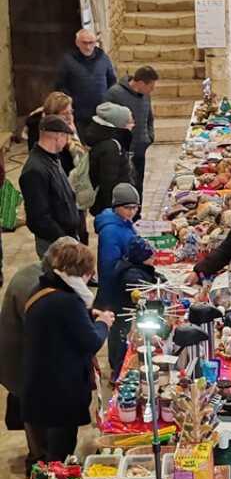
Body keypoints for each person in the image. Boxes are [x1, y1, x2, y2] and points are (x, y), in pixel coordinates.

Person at [23, 240, 114, 461]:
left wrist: (86, 318)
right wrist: (103, 323)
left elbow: (60, 327)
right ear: (82, 272)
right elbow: (91, 341)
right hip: (59, 391)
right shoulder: (67, 302)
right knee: (60, 451)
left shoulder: (43, 289)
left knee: (49, 446)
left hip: (39, 385)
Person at [0, 238, 76, 475]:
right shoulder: (32, 287)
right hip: (23, 364)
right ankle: (41, 463)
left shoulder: (38, 274)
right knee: (36, 416)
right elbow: (48, 335)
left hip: (27, 360)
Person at [24, 91, 90, 245]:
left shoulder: (68, 129)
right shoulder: (44, 145)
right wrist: (64, 239)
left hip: (71, 193)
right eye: (65, 113)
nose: (69, 117)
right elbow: (39, 217)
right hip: (60, 201)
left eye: (71, 112)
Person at [19, 115, 80, 257]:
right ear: (58, 137)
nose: (66, 143)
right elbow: (38, 219)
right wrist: (64, 241)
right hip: (55, 245)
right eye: (66, 138)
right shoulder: (34, 170)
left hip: (66, 239)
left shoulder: (52, 158)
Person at [104, 65, 158, 208]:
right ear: (140, 83)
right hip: (123, 152)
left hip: (140, 148)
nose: (152, 90)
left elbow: (149, 118)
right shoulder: (114, 94)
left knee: (138, 184)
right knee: (126, 186)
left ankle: (137, 215)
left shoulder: (146, 95)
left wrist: (149, 137)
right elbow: (106, 121)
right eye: (150, 87)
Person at [109, 236, 162, 379]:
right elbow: (138, 290)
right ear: (142, 258)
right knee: (124, 348)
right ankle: (118, 374)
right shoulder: (131, 276)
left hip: (124, 318)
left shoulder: (135, 267)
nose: (154, 260)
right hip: (125, 320)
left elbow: (150, 276)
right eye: (151, 257)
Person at [55, 29, 117, 142]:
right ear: (77, 43)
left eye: (91, 43)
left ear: (95, 42)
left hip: (101, 113)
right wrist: (69, 106)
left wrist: (109, 102)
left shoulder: (103, 58)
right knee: (82, 146)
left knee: (101, 145)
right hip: (78, 115)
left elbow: (112, 81)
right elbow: (60, 85)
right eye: (84, 43)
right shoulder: (68, 60)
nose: (88, 47)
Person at [94, 183, 141, 316]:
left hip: (121, 286)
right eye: (127, 208)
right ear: (116, 207)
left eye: (135, 207)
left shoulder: (124, 222)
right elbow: (109, 268)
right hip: (114, 293)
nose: (132, 212)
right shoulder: (110, 231)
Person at [85, 102, 135, 216]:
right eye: (129, 122)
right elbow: (108, 183)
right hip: (113, 208)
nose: (133, 125)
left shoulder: (111, 142)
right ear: (119, 124)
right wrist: (114, 211)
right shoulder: (111, 147)